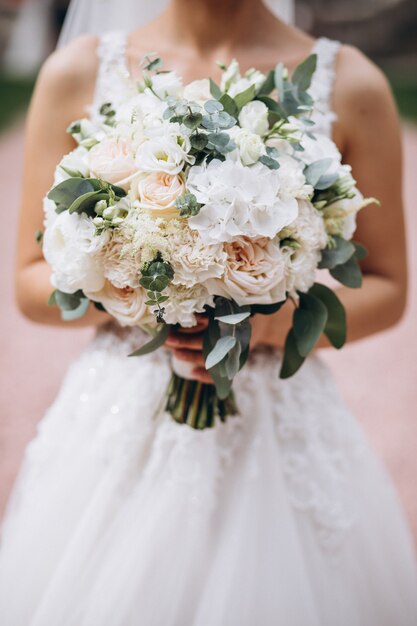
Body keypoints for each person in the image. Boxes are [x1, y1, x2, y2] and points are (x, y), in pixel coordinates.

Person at [1, 0, 416, 623]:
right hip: (121, 411)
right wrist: (144, 291)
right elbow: (33, 284)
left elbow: (387, 287)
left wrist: (276, 322)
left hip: (278, 415)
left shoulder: (353, 83)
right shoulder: (78, 72)